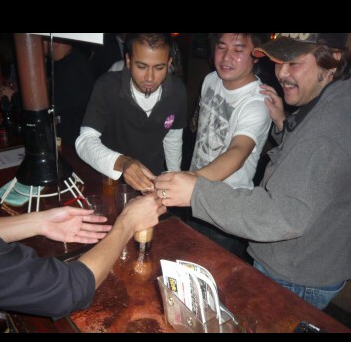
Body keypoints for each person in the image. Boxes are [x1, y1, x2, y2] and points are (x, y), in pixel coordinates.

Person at [0, 33, 166, 319]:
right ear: (128, 61)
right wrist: (126, 223)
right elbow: (64, 290)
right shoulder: (107, 85)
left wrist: (39, 221)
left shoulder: (173, 91)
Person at [154, 33, 351, 310]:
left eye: (294, 62)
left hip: (296, 273)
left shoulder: (326, 128)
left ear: (334, 59)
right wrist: (284, 126)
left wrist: (196, 190)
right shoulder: (332, 97)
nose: (281, 73)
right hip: (299, 256)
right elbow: (312, 164)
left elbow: (282, 215)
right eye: (279, 60)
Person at [188, 33, 271, 260]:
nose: (226, 57)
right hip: (196, 197)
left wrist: (189, 180)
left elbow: (238, 152)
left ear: (257, 55)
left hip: (226, 207)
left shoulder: (256, 103)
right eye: (221, 47)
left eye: (238, 50)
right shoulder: (210, 79)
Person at [75, 33, 187, 192]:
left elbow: (172, 139)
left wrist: (173, 179)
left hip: (152, 181)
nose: (150, 77)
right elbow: (84, 142)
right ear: (128, 60)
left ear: (169, 63)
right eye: (141, 66)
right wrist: (123, 163)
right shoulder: (107, 86)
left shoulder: (177, 91)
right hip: (111, 180)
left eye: (159, 68)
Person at [43, 38, 95, 148]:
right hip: (64, 140)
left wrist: (14, 97)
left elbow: (49, 107)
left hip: (75, 146)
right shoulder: (57, 64)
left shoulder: (75, 67)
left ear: (54, 41)